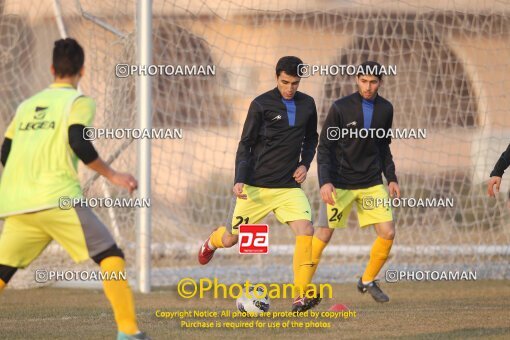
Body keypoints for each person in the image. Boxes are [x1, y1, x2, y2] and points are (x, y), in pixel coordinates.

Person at [0, 38, 149, 340]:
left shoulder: (25, 107)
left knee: (3, 271)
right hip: (58, 200)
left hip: (17, 204)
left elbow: (5, 153)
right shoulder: (78, 102)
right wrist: (114, 174)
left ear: (52, 68)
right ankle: (129, 332)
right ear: (82, 70)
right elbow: (78, 141)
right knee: (110, 254)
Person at [198, 56, 320, 311]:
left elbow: (311, 139)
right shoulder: (260, 105)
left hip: (288, 188)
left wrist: (304, 164)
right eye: (285, 82)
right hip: (255, 188)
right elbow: (246, 144)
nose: (289, 88)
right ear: (277, 78)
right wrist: (240, 178)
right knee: (231, 239)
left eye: (294, 84)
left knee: (306, 230)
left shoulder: (308, 105)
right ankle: (212, 241)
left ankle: (300, 296)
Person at [313, 61, 400, 303]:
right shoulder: (340, 107)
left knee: (388, 232)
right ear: (357, 80)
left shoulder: (386, 109)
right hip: (339, 183)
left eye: (373, 82)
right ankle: (301, 287)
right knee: (323, 234)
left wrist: (391, 178)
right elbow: (325, 148)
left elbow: (384, 147)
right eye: (363, 81)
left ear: (380, 83)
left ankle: (367, 280)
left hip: (371, 182)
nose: (368, 86)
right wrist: (325, 181)